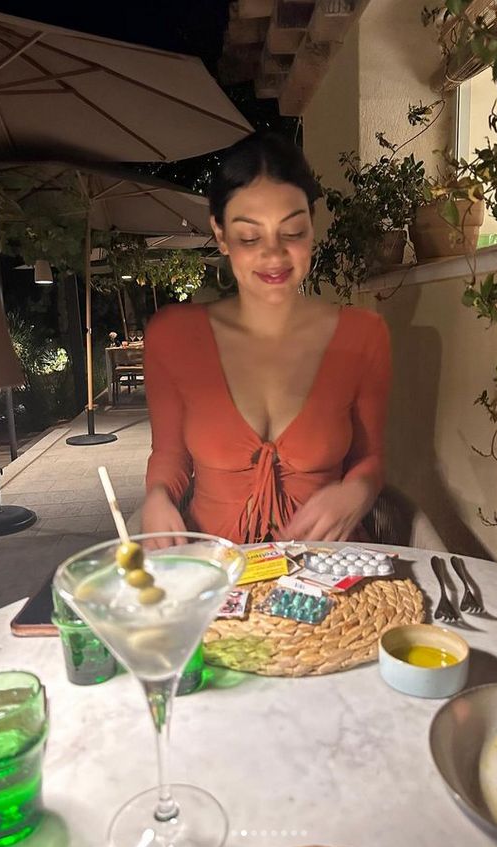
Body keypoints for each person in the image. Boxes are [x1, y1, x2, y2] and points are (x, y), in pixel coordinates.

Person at [142, 131, 392, 545]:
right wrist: (156, 497)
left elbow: (370, 459)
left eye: (292, 232)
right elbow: (170, 454)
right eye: (250, 237)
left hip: (328, 565)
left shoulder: (364, 336)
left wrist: (358, 491)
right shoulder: (173, 336)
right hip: (214, 565)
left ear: (311, 226)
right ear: (221, 235)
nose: (274, 255)